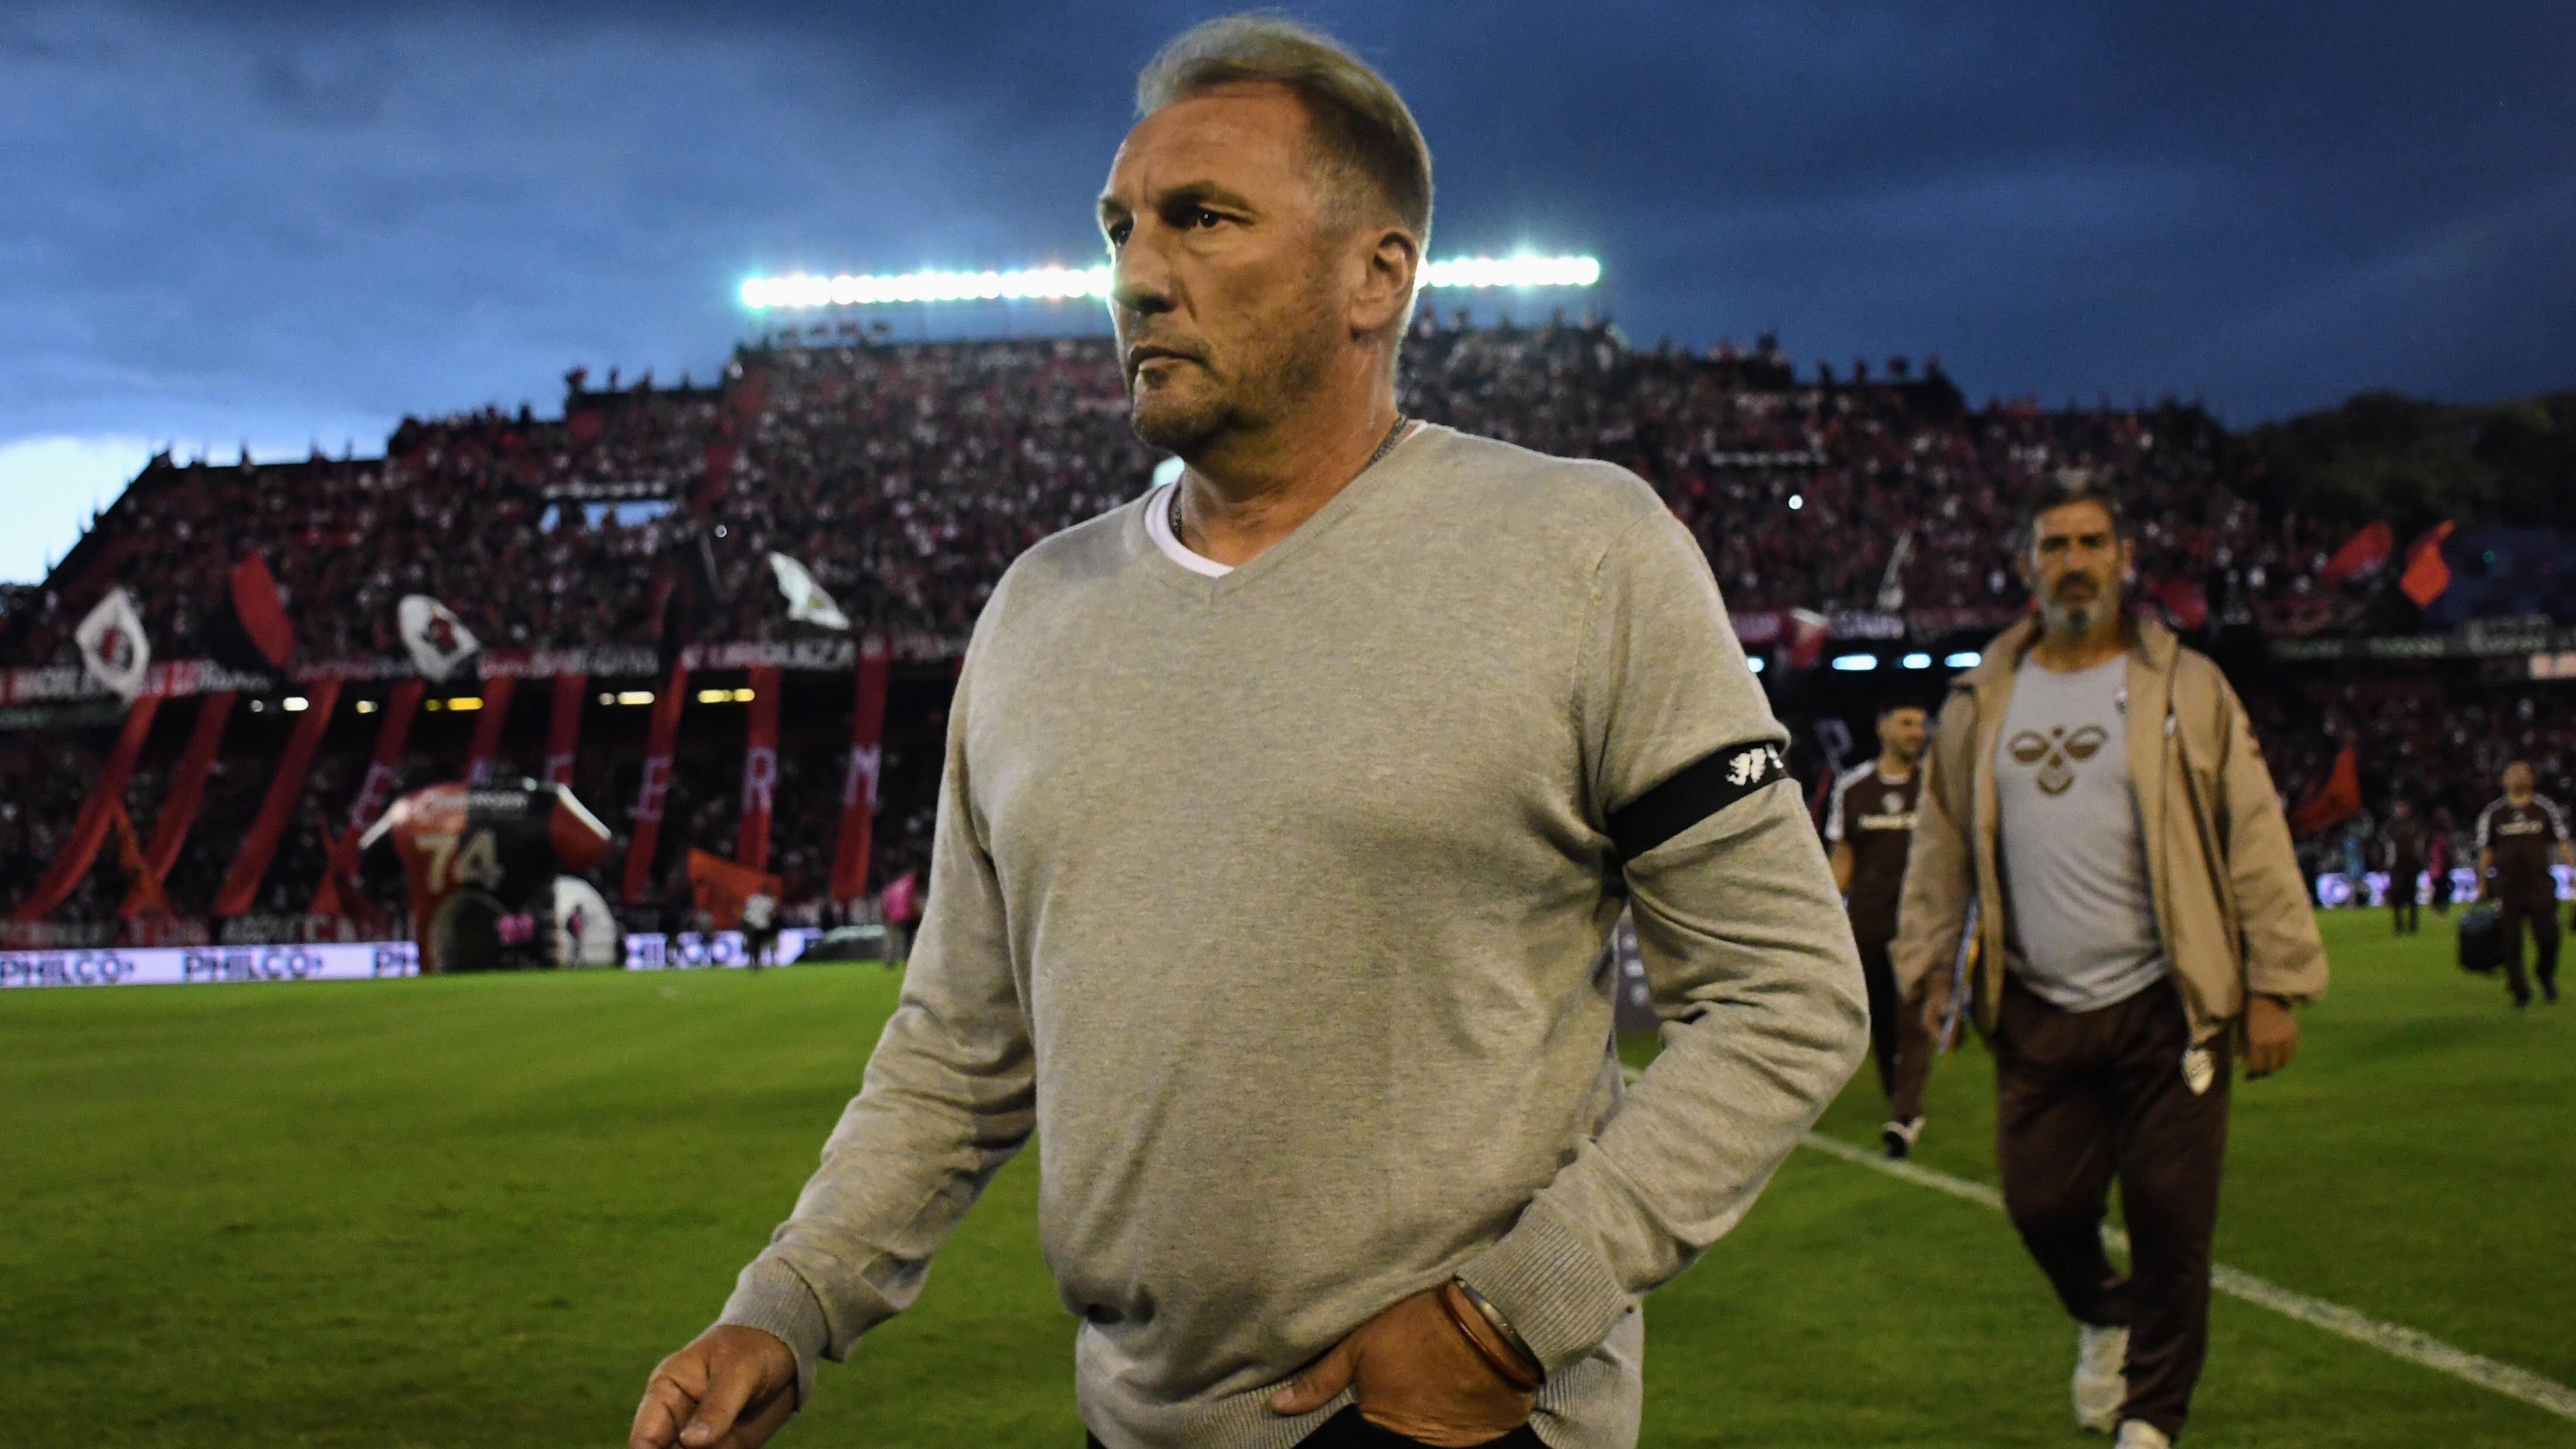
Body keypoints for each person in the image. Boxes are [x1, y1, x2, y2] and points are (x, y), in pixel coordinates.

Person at [627, 18, 1866, 1449]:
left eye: (1204, 219)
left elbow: (1787, 987)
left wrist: (1516, 1309)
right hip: (1133, 1414)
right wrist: (787, 1301)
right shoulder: (1039, 610)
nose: (1140, 274)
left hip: (1450, 1416)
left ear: (1375, 273)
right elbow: (961, 1046)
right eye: (1122, 228)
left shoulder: (1579, 551)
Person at [1891, 470, 2327, 1449]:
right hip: (2037, 1003)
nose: (2074, 561)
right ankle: (2100, 1314)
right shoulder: (1979, 698)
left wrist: (2274, 983)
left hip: (2169, 1000)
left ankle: (2150, 1422)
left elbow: (2250, 828)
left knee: (2172, 1221)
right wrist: (1927, 968)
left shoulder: (2185, 685)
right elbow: (1942, 843)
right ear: (2024, 567)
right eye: (2054, 545)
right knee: (2041, 1203)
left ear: (2124, 561)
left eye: (2092, 542)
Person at [1824, 700, 1935, 1157]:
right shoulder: (1853, 788)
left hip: (1920, 924)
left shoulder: (1935, 786)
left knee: (1914, 1017)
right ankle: (1899, 1099)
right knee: (1881, 1023)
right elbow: (1844, 855)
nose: (1916, 732)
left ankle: (1905, 1113)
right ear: (1882, 726)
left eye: (1921, 723)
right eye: (1907, 723)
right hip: (1868, 920)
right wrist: (1828, 910)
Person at [2472, 761, 2571, 1009]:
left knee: (2549, 937)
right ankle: (2520, 991)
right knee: (2510, 941)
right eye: (2513, 773)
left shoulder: (2544, 809)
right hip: (2507, 887)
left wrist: (2572, 868)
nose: (2519, 776)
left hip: (2540, 884)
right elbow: (2486, 850)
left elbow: (2561, 840)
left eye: (2524, 772)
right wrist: (2482, 883)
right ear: (2504, 781)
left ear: (2531, 778)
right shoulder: (2494, 814)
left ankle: (2545, 975)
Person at [2380, 799, 2426, 935]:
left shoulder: (2415, 825)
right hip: (2396, 866)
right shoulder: (2390, 827)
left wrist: (2423, 861)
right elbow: (2384, 846)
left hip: (2412, 864)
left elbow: (2421, 845)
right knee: (2397, 894)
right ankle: (2398, 925)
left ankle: (2413, 925)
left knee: (2412, 895)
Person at [740, 888, 778, 971]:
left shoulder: (753, 899)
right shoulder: (769, 901)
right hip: (762, 926)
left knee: (753, 944)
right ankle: (757, 963)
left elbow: (746, 909)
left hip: (751, 924)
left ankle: (752, 962)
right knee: (759, 945)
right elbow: (771, 913)